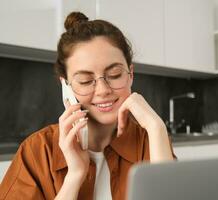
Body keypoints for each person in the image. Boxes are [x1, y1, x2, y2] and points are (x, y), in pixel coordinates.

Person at [0, 12, 176, 200]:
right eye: (85, 81)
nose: (102, 90)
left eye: (115, 74)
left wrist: (157, 128)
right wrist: (74, 177)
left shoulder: (150, 141)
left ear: (130, 74)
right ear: (66, 86)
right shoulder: (37, 151)